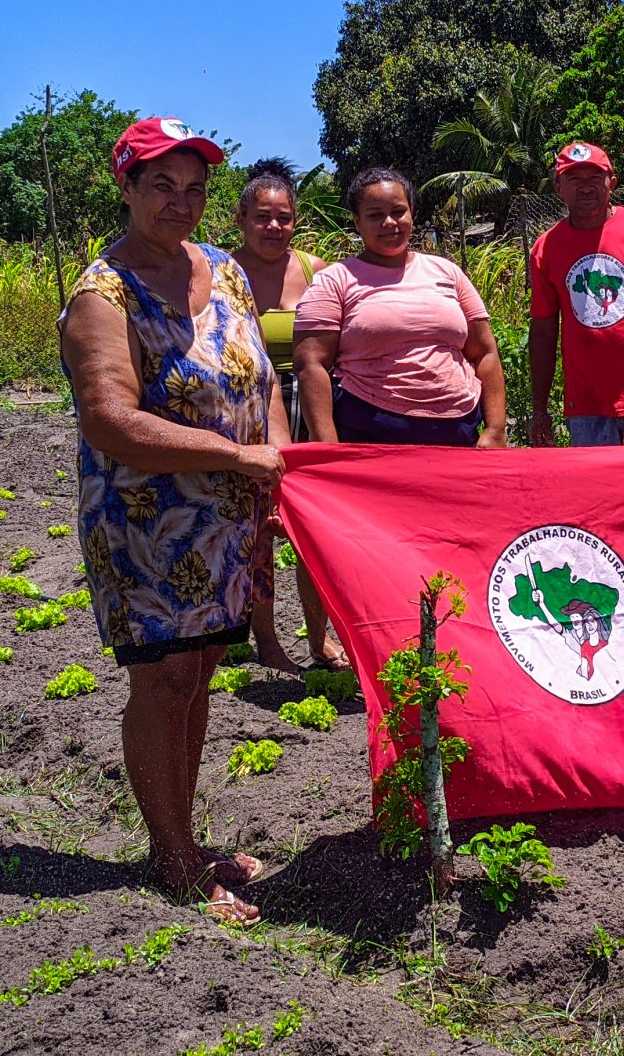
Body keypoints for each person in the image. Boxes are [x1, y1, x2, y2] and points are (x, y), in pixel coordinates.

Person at [58, 115, 283, 926]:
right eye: (162, 185)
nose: (180, 203)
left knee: (201, 675)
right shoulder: (102, 293)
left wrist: (283, 465)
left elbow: (263, 380)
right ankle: (173, 859)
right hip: (148, 525)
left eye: (194, 189)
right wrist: (236, 459)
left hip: (230, 519)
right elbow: (110, 418)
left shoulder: (223, 270)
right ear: (126, 187)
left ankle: (183, 838)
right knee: (163, 680)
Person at [230, 159, 347, 673]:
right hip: (249, 406)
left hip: (314, 402)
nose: (273, 227)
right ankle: (266, 640)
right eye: (262, 217)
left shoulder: (317, 270)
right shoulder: (220, 272)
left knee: (313, 527)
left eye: (284, 218)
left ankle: (321, 639)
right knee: (259, 525)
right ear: (241, 220)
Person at [293, 168, 508, 448]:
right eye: (375, 215)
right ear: (357, 221)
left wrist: (495, 429)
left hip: (457, 432)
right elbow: (311, 364)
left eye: (398, 211)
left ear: (412, 214)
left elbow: (485, 352)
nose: (389, 222)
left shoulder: (447, 272)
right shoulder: (334, 280)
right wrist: (327, 447)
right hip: (369, 431)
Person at [527, 140, 624, 448]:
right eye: (574, 179)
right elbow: (543, 331)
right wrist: (539, 410)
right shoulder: (546, 248)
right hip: (586, 407)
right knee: (597, 494)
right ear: (558, 186)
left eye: (595, 177)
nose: (586, 187)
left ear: (612, 182)